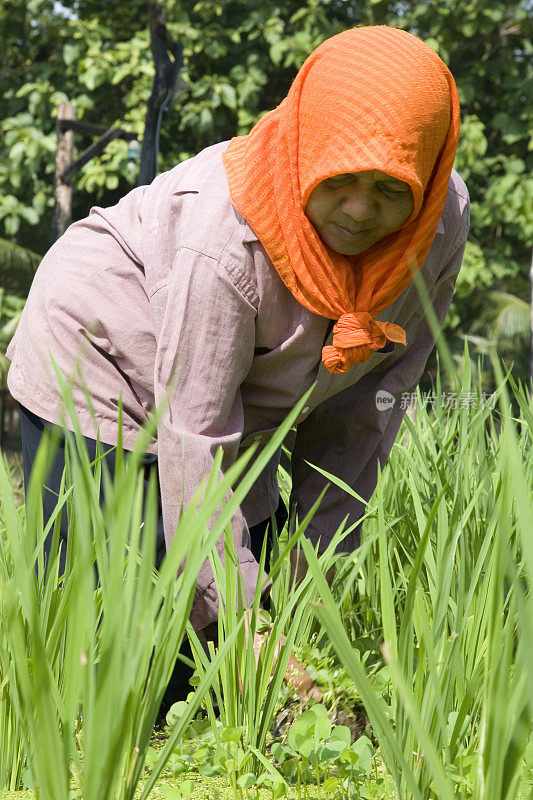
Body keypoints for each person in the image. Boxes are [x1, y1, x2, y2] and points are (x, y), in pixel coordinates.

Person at [6, 25, 469, 698]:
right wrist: (250, 622)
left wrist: (317, 596)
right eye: (339, 180)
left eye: (389, 187)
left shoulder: (439, 222)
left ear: (424, 178)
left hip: (243, 400)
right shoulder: (225, 238)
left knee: (236, 657)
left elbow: (367, 408)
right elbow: (196, 429)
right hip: (104, 354)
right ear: (307, 152)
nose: (361, 210)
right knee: (123, 667)